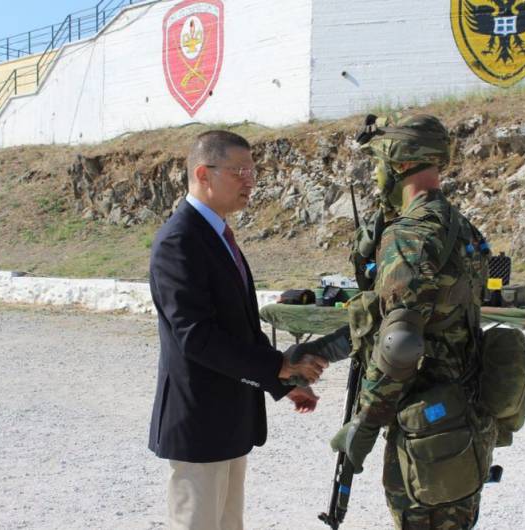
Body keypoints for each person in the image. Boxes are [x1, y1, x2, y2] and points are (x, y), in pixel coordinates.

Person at [147, 130, 329, 529]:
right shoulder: (180, 241)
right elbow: (196, 336)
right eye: (239, 171)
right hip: (200, 420)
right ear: (204, 173)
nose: (250, 181)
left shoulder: (216, 234)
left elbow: (242, 327)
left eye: (252, 171)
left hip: (228, 419)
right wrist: (277, 366)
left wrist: (282, 381)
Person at [331, 114, 497, 529]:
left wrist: (365, 424)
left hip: (424, 426)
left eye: (378, 164)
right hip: (467, 415)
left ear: (399, 164)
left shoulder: (409, 236)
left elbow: (400, 345)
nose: (374, 174)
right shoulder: (463, 228)